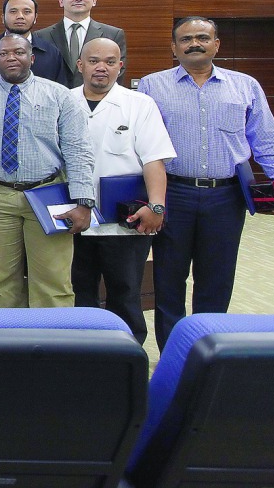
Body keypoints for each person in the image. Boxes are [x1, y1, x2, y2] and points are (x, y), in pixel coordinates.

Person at [138, 16, 274, 349]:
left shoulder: (245, 86)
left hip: (226, 197)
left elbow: (266, 140)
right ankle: (173, 355)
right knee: (168, 278)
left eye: (202, 37)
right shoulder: (152, 85)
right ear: (174, 47)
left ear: (216, 44)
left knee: (217, 279)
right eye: (186, 39)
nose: (194, 43)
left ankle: (208, 355)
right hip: (172, 193)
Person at [0, 34, 96, 308]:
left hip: (48, 194)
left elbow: (78, 149)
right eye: (4, 54)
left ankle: (54, 345)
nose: (11, 58)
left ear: (32, 57)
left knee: (53, 280)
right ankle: (10, 345)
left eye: (18, 52)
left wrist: (84, 201)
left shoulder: (58, 95)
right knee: (0, 280)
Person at [72, 38, 174, 344]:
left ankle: (127, 355)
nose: (101, 67)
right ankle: (82, 352)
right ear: (80, 66)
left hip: (124, 221)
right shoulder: (63, 101)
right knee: (79, 289)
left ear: (121, 66)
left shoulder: (140, 104)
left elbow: (154, 160)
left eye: (109, 61)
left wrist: (157, 207)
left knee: (126, 290)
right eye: (93, 60)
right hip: (74, 217)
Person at [41, 0, 128, 88]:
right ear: (61, 1)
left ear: (94, 0)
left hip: (96, 100)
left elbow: (117, 72)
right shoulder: (42, 36)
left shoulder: (113, 34)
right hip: (53, 101)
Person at [0, 0, 69, 84]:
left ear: (35, 18)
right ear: (3, 18)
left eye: (27, 12)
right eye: (13, 11)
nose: (20, 16)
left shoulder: (51, 53)